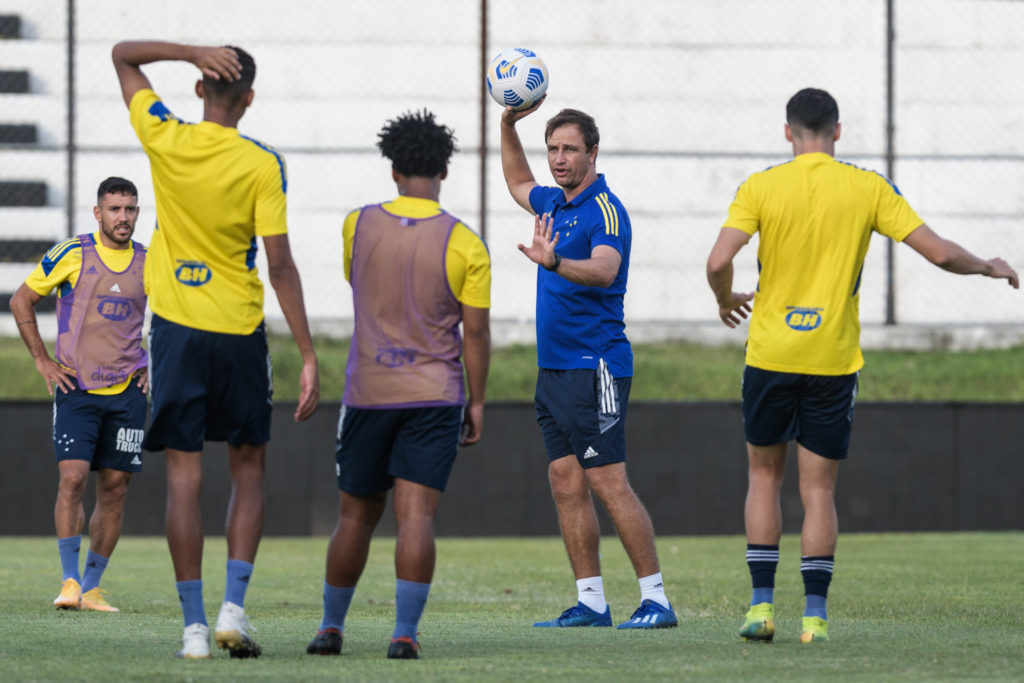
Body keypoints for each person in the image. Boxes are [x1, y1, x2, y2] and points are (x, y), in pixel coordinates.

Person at [707, 87, 1019, 644]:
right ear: (838, 131)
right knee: (818, 491)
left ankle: (759, 609)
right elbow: (941, 253)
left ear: (787, 132)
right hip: (831, 359)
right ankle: (815, 619)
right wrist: (987, 267)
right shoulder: (868, 186)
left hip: (771, 355)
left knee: (762, 476)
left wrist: (725, 299)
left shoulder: (760, 186)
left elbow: (717, 261)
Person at [112, 41, 320, 659]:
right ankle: (235, 607)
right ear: (248, 99)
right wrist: (307, 353)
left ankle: (194, 629)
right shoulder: (263, 163)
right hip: (237, 332)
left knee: (182, 476)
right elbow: (279, 264)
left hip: (175, 331)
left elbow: (123, 56)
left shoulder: (165, 137)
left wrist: (188, 51)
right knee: (249, 467)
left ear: (200, 90)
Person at [305, 109, 491, 660]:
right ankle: (404, 635)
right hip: (435, 395)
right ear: (445, 171)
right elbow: (476, 332)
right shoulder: (465, 243)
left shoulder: (357, 224)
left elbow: (358, 282)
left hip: (368, 393)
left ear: (393, 169)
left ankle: (330, 628)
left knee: (355, 517)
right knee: (416, 517)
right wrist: (477, 401)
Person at [499, 101, 676, 629]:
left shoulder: (606, 209)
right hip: (553, 369)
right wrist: (507, 124)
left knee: (607, 481)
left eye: (569, 148)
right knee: (564, 479)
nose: (558, 158)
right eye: (552, 148)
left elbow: (604, 269)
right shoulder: (552, 203)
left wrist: (555, 261)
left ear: (592, 153)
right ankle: (592, 601)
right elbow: (515, 181)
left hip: (594, 365)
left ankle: (656, 600)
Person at [10, 176, 148, 614]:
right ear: (97, 213)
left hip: (127, 392)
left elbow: (174, 313)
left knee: (115, 488)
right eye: (114, 209)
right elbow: (21, 301)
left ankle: (91, 588)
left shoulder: (151, 260)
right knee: (72, 479)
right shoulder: (74, 252)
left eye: (130, 209)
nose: (123, 217)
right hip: (76, 388)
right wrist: (42, 360)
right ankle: (68, 581)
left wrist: (155, 363)